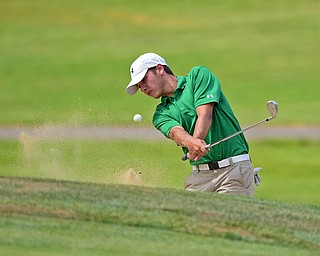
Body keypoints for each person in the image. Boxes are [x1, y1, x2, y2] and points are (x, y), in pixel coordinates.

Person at [125, 52, 255, 196]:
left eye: (144, 80)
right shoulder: (160, 114)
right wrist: (191, 143)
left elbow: (205, 115)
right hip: (199, 177)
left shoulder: (198, 76)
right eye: (138, 85)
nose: (142, 88)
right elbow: (176, 133)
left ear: (160, 69)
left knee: (225, 218)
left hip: (233, 170)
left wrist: (195, 143)